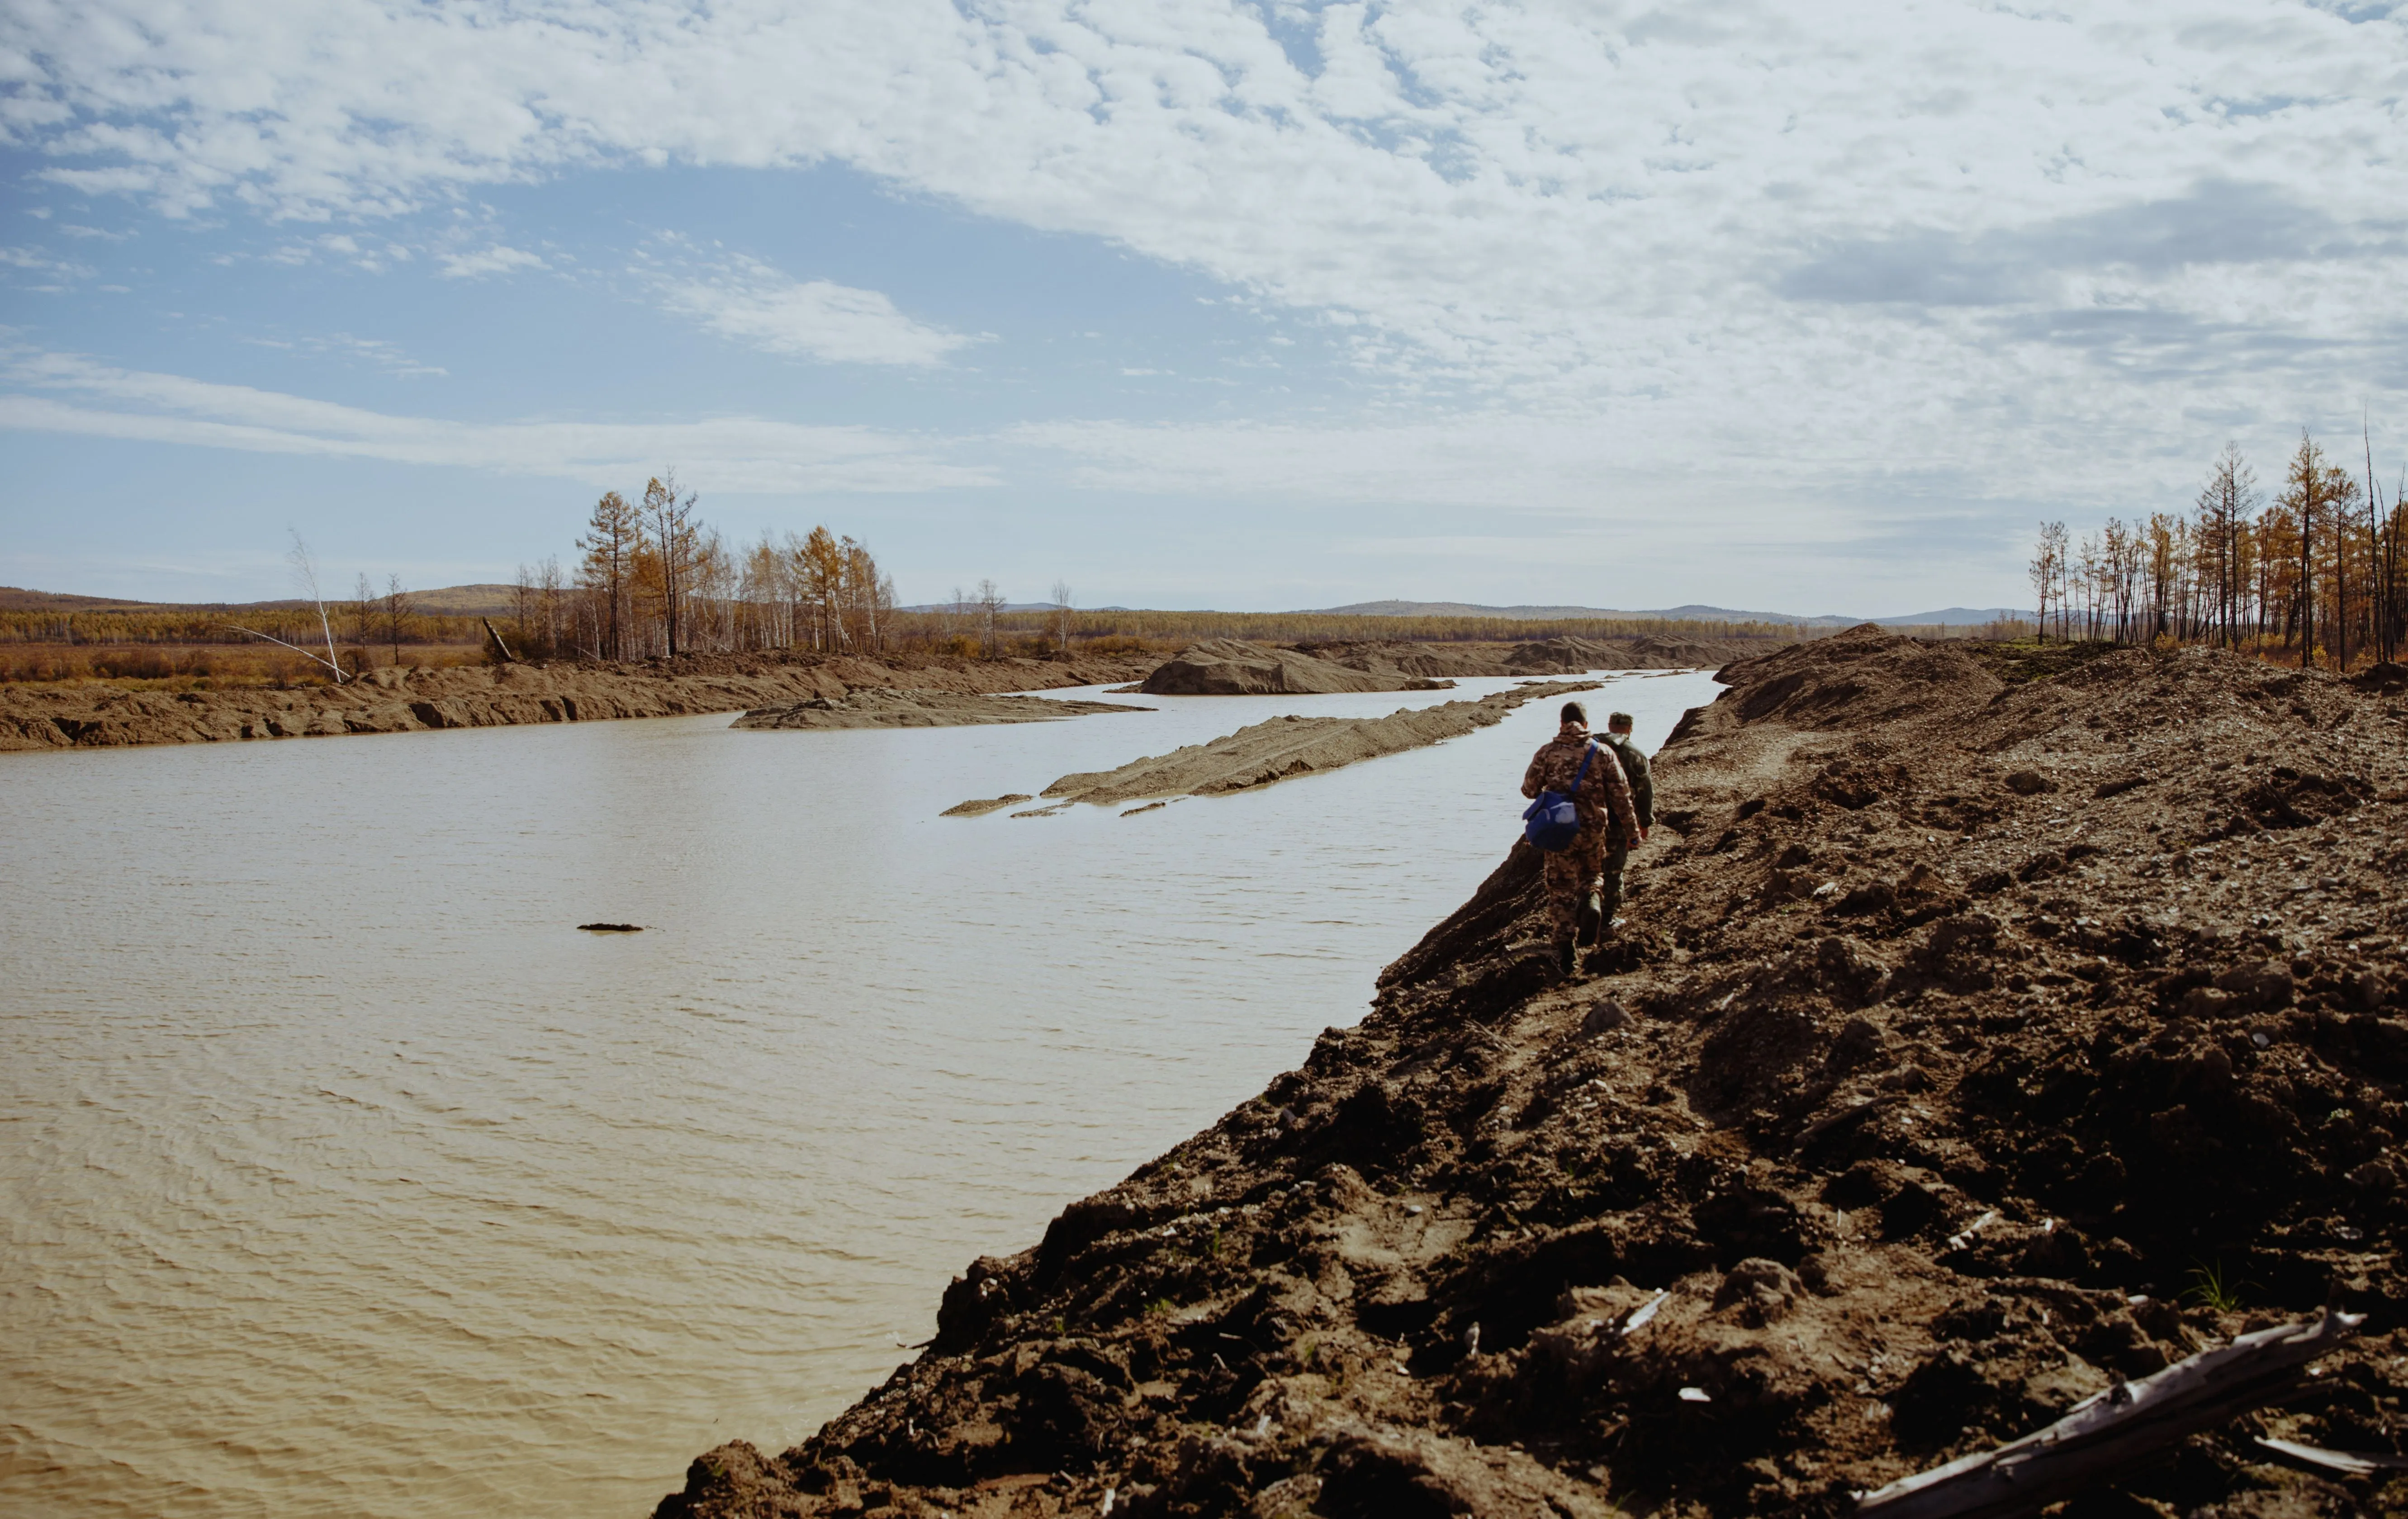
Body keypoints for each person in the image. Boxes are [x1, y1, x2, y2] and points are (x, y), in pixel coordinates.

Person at [1521, 700, 1644, 976]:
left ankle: (1566, 954)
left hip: (1559, 830)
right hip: (1593, 829)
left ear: (1562, 724)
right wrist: (1632, 832)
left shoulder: (1547, 752)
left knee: (1561, 889)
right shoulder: (1603, 752)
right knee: (1591, 874)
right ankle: (1591, 901)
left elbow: (1529, 790)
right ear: (1586, 725)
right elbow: (1622, 797)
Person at [1597, 711, 1654, 934]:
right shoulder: (1635, 755)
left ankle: (1582, 915)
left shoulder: (1588, 749)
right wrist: (1644, 823)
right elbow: (1645, 792)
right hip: (1618, 824)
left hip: (1584, 822)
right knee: (1612, 872)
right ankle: (1606, 921)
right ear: (1630, 728)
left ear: (1610, 725)